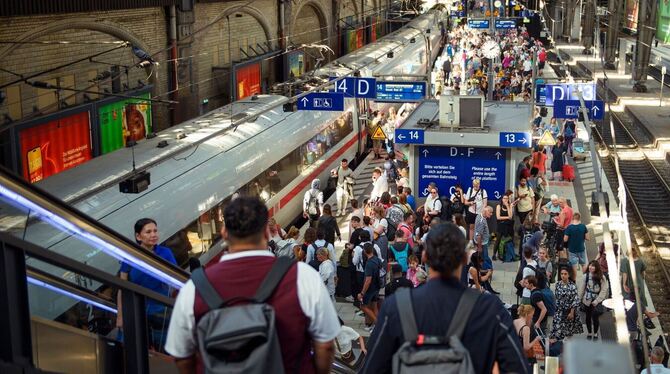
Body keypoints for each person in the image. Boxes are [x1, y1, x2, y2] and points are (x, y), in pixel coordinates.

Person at [165, 197, 339, 373]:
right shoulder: (303, 277)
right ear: (266, 232)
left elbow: (181, 355)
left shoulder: (193, 288)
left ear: (224, 233)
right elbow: (325, 346)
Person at [362, 223, 529, 374]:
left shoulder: (396, 307)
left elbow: (372, 367)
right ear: (465, 259)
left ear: (425, 257)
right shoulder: (489, 309)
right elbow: (518, 368)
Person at [117, 218, 177, 351]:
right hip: (137, 310)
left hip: (161, 311)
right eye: (148, 232)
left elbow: (176, 282)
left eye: (155, 231)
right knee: (133, 349)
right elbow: (122, 288)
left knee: (165, 349)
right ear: (138, 236)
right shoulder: (130, 255)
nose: (153, 235)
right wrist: (120, 317)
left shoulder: (165, 253)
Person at [550, 267, 583, 340]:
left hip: (568, 311)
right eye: (562, 274)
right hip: (559, 311)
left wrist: (571, 313)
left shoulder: (572, 286)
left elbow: (575, 300)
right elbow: (556, 297)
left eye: (565, 274)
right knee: (557, 329)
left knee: (568, 331)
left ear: (569, 275)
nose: (563, 275)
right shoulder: (558, 284)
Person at [580, 260, 609, 340]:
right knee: (588, 317)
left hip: (596, 300)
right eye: (590, 265)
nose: (590, 267)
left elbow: (604, 290)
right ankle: (589, 332)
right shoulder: (585, 276)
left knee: (595, 318)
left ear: (596, 268)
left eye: (593, 266)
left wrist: (597, 301)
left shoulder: (602, 277)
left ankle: (595, 333)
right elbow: (582, 289)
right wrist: (579, 299)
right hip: (587, 299)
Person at [358, 243, 382, 331]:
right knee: (374, 306)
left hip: (370, 289)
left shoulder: (369, 264)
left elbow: (368, 280)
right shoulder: (377, 260)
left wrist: (362, 293)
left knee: (363, 306)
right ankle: (376, 325)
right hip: (377, 286)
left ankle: (377, 324)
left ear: (364, 251)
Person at [493, 194, 514, 261]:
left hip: (508, 225)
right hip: (501, 225)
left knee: (507, 240)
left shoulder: (510, 205)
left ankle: (504, 254)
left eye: (507, 198)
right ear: (502, 199)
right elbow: (498, 217)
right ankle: (494, 254)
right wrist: (507, 217)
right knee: (498, 240)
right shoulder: (499, 206)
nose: (505, 200)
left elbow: (511, 216)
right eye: (504, 198)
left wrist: (508, 207)